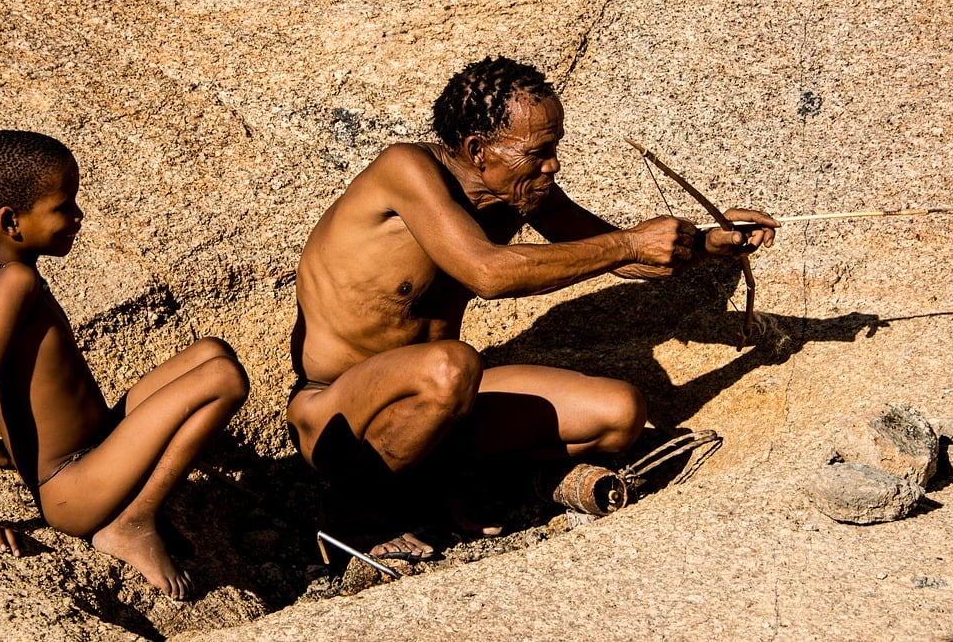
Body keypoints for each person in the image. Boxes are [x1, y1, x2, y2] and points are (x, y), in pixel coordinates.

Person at [287, 56, 778, 560]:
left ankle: (446, 482)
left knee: (620, 412)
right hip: (337, 416)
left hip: (447, 400)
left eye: (555, 148)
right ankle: (351, 518)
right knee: (451, 364)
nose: (554, 165)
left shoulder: (518, 190)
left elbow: (619, 256)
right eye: (538, 152)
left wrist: (705, 244)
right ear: (478, 151)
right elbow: (490, 273)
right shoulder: (406, 170)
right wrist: (630, 244)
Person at [0, 130, 249, 600]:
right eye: (63, 206)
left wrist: (8, 452)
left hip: (93, 446)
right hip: (73, 488)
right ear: (11, 222)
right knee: (223, 379)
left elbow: (21, 380)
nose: (78, 216)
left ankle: (108, 498)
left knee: (211, 352)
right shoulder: (15, 285)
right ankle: (132, 521)